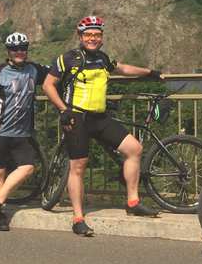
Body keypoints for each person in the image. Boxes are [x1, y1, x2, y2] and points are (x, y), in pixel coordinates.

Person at [42, 15, 163, 237]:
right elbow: (48, 84)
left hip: (100, 117)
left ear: (102, 38)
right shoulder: (67, 58)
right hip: (76, 117)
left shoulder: (103, 59)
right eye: (88, 35)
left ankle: (133, 201)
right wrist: (62, 109)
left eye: (97, 35)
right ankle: (78, 218)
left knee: (134, 149)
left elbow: (123, 68)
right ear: (80, 36)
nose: (93, 38)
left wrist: (149, 72)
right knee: (78, 166)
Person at [0, 32, 48, 231]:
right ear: (8, 51)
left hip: (23, 132)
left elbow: (57, 74)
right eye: (15, 49)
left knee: (28, 167)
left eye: (23, 48)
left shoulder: (35, 70)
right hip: (0, 130)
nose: (19, 52)